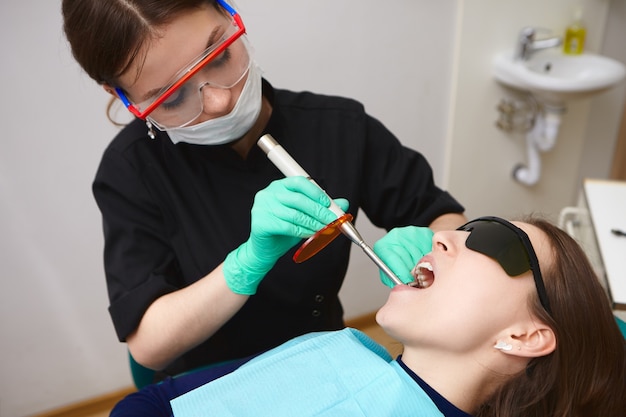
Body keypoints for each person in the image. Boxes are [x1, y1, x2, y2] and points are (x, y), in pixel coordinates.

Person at [61, 0, 466, 380]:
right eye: (173, 97)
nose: (219, 101)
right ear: (121, 96)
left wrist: (433, 242)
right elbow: (148, 344)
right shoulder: (131, 171)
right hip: (211, 383)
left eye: (218, 56)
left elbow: (444, 216)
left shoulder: (340, 127)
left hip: (324, 360)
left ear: (228, 12)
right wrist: (246, 265)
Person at [109, 216, 626, 416]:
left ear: (525, 335)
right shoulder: (334, 345)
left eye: (495, 241)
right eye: (469, 225)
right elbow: (153, 404)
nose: (442, 235)